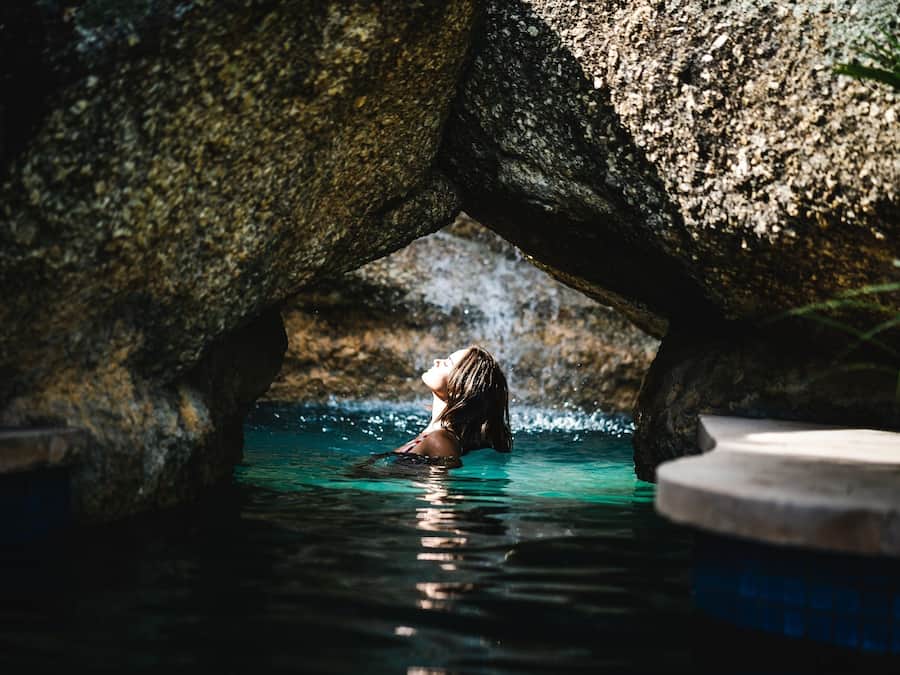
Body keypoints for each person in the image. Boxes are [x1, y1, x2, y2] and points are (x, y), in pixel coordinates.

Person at [390, 345, 513, 467]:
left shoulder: (439, 441)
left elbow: (441, 485)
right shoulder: (434, 436)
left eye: (447, 363)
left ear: (460, 386)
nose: (436, 361)